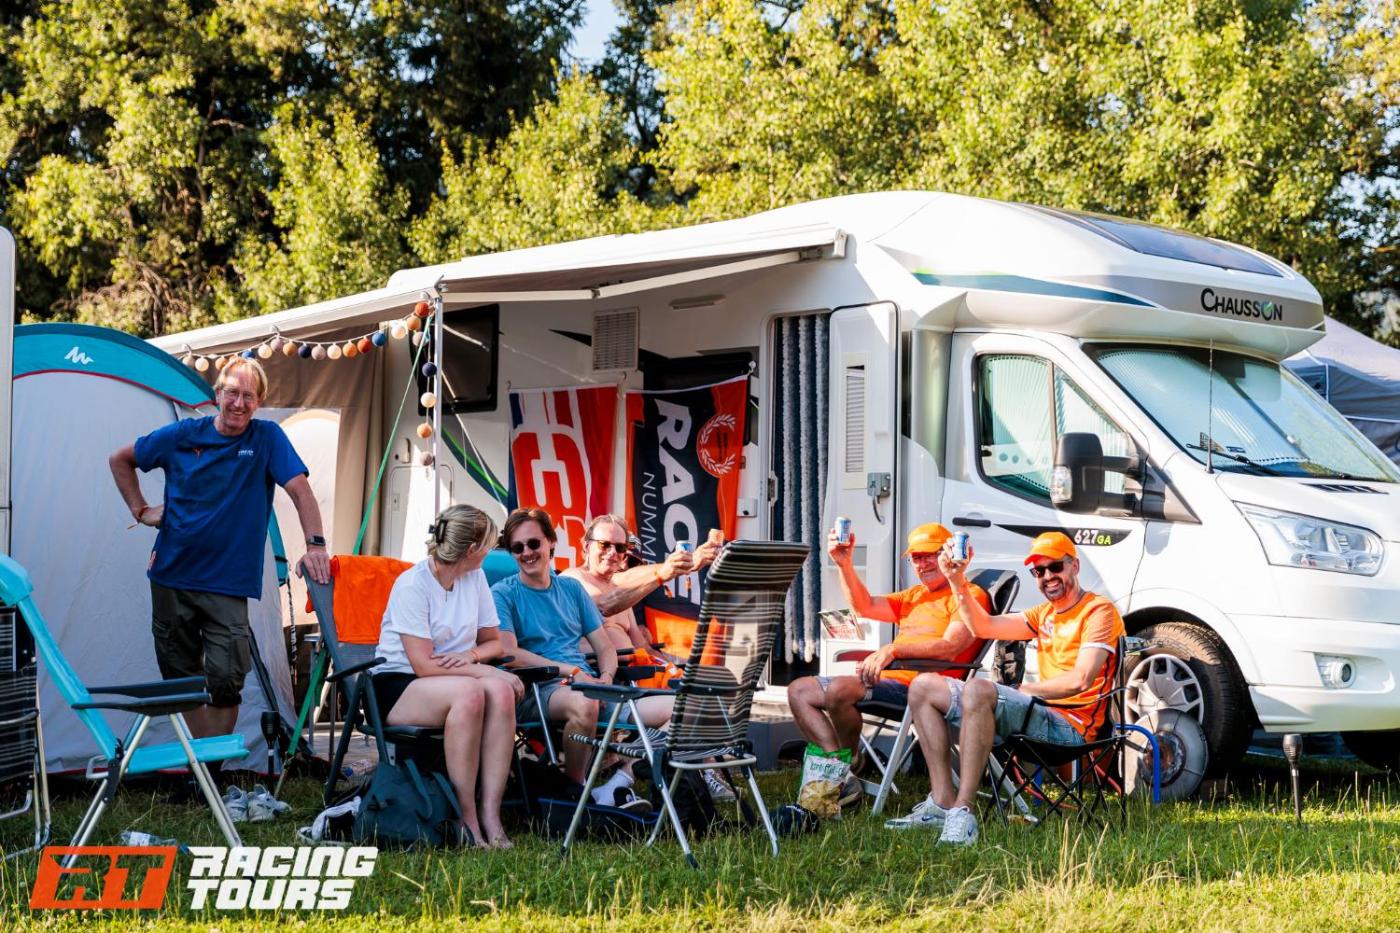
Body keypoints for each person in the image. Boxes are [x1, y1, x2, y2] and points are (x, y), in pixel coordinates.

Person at [109, 357, 331, 739]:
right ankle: (204, 762)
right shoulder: (183, 435)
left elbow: (300, 490)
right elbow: (121, 459)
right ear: (217, 395)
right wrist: (141, 510)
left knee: (227, 679)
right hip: (172, 576)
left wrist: (316, 546)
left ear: (259, 402)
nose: (239, 403)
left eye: (248, 396)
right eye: (232, 393)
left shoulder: (266, 438)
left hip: (227, 583)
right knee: (179, 678)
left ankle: (211, 764)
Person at [885, 531, 1126, 845]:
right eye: (1038, 571)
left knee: (979, 689)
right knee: (922, 687)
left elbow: (1080, 679)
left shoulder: (1099, 611)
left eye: (1055, 567)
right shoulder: (1043, 614)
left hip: (1071, 729)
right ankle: (942, 802)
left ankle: (963, 812)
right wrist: (956, 580)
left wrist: (1023, 691)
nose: (1047, 577)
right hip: (1036, 715)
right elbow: (982, 627)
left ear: (1075, 566)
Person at [786, 522, 989, 808]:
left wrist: (893, 650)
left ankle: (843, 770)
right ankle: (844, 768)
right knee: (799, 691)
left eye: (930, 555)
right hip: (890, 680)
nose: (923, 564)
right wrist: (844, 564)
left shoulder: (969, 595)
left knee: (840, 690)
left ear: (947, 554)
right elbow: (865, 606)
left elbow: (951, 647)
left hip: (925, 689)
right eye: (916, 558)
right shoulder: (914, 595)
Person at [492, 508, 673, 805]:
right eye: (517, 547)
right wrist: (572, 672)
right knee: (585, 704)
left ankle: (619, 782)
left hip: (590, 686)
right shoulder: (504, 593)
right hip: (538, 689)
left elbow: (604, 647)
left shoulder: (571, 589)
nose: (526, 553)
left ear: (551, 542)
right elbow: (509, 653)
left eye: (533, 543)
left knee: (681, 709)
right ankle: (576, 792)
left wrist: (606, 678)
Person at [370, 505, 522, 849]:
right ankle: (465, 818)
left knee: (500, 693)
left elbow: (494, 642)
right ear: (471, 550)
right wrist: (481, 669)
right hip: (400, 683)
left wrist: (472, 657)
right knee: (472, 692)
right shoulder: (413, 585)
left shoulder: (475, 578)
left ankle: (491, 815)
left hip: (455, 675)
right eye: (488, 545)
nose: (491, 551)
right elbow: (423, 665)